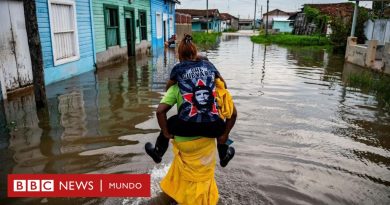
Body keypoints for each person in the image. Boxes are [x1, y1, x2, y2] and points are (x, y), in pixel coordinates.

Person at [145, 34, 237, 167]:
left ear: (179, 55)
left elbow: (161, 109)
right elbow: (225, 87)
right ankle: (224, 156)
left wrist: (166, 132)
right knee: (221, 120)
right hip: (213, 128)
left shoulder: (178, 68)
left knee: (170, 121)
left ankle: (158, 153)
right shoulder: (209, 65)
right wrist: (224, 135)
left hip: (186, 127)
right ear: (196, 52)